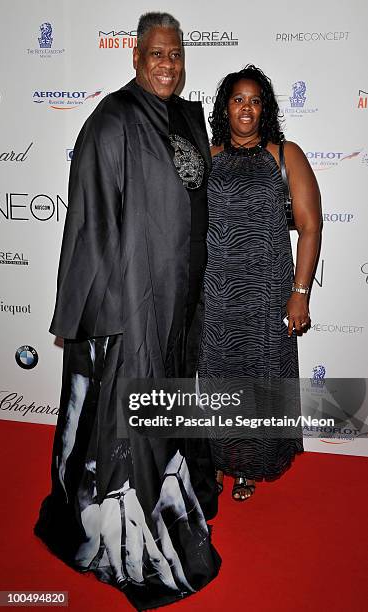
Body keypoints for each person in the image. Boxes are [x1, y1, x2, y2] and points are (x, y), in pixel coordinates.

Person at [34, 12, 221, 610]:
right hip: (133, 299)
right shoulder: (112, 119)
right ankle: (124, 524)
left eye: (176, 55)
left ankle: (172, 484)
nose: (167, 64)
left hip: (181, 298)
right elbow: (88, 221)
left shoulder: (189, 118)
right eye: (156, 54)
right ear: (136, 56)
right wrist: (92, 314)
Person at [198, 65, 321, 501]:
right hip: (215, 294)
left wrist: (299, 293)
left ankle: (247, 466)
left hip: (267, 293)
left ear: (264, 108)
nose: (246, 108)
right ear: (225, 108)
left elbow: (310, 227)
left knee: (259, 378)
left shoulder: (284, 155)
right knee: (217, 379)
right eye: (237, 100)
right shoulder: (207, 157)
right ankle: (214, 463)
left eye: (254, 100)